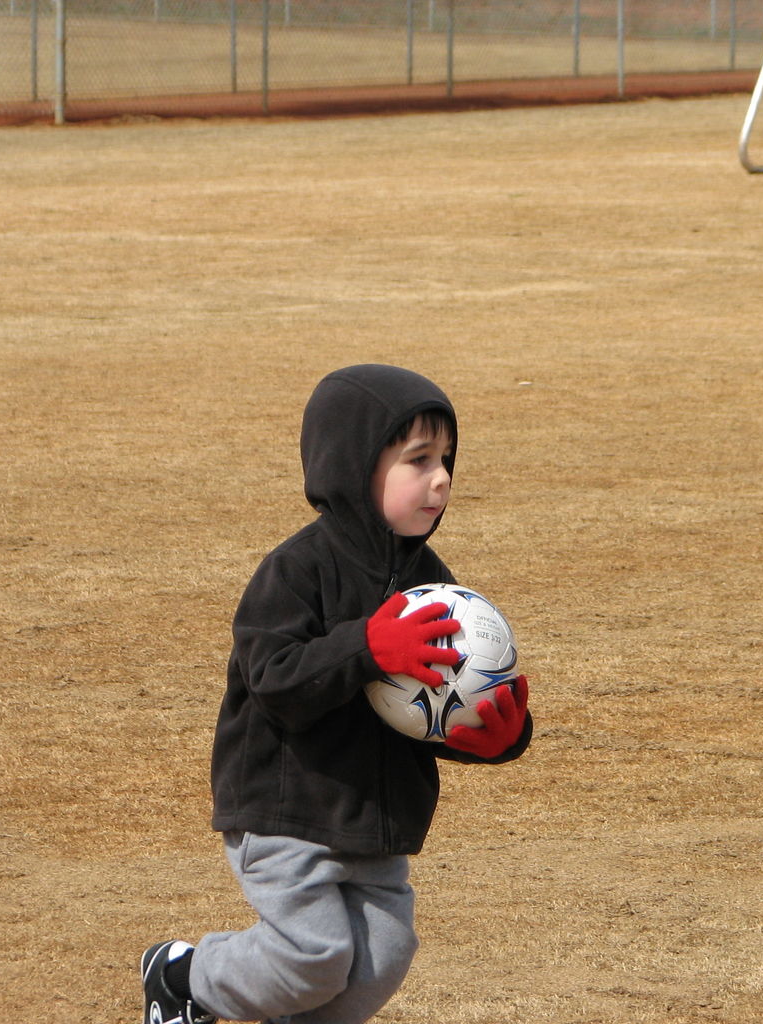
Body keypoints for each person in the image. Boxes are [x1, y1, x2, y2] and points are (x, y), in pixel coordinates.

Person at [141, 363, 533, 1024]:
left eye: (446, 460)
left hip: (375, 820)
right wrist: (367, 648)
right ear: (353, 468)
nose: (440, 479)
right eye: (417, 460)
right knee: (313, 956)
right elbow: (271, 678)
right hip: (285, 806)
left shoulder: (433, 586)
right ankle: (186, 978)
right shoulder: (297, 569)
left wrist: (496, 737)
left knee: (380, 956)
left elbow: (429, 705)